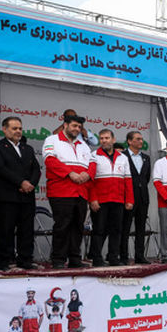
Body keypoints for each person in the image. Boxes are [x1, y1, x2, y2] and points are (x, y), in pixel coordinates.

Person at [0, 116, 40, 270]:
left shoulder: (27, 148)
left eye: (20, 128)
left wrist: (30, 184)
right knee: (6, 229)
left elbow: (36, 169)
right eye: (14, 128)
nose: (18, 131)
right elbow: (0, 168)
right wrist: (21, 182)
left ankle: (25, 260)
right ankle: (4, 261)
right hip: (7, 196)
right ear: (5, 129)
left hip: (27, 195)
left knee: (27, 230)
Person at [41, 113, 92, 268]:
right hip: (61, 191)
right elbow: (50, 160)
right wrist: (70, 173)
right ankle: (58, 259)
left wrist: (87, 174)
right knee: (63, 225)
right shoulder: (52, 140)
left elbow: (92, 163)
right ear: (65, 125)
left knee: (78, 225)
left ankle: (75, 258)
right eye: (74, 126)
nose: (77, 129)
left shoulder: (84, 145)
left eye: (79, 127)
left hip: (81, 191)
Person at [88, 129, 134, 267]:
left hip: (118, 200)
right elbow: (90, 180)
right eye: (101, 138)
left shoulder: (123, 157)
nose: (104, 140)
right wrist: (93, 199)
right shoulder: (94, 155)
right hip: (100, 201)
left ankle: (113, 258)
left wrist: (129, 200)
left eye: (107, 138)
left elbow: (128, 180)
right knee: (99, 230)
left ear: (113, 140)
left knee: (116, 230)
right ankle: (97, 259)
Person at [121, 130, 152, 265]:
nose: (141, 141)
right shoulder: (122, 156)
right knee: (125, 228)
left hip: (143, 197)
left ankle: (140, 256)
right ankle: (123, 256)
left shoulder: (146, 158)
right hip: (127, 197)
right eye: (138, 139)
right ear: (129, 141)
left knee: (140, 229)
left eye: (141, 139)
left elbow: (146, 178)